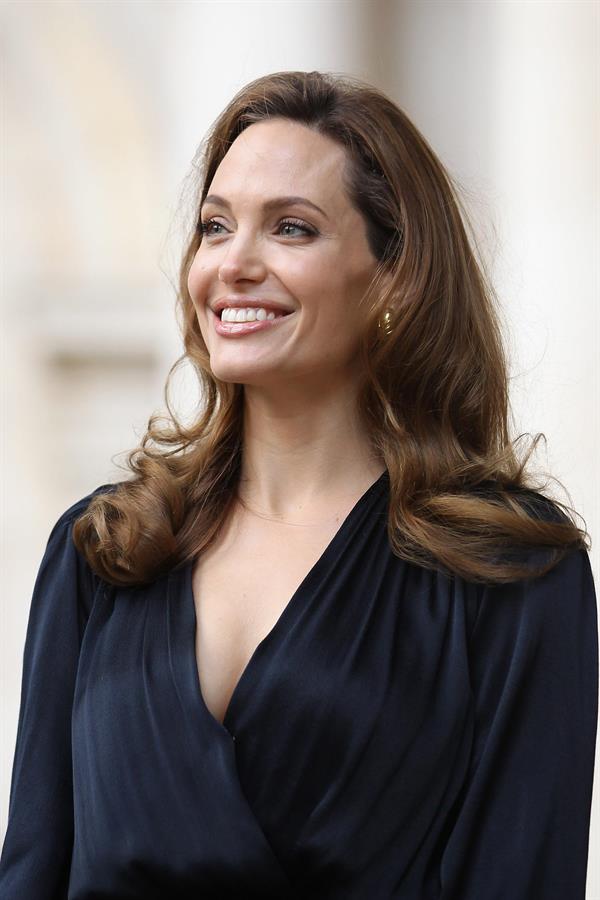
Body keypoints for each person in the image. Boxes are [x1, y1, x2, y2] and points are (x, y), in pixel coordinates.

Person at [0, 70, 597, 899]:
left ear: (394, 276)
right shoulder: (104, 551)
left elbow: (523, 875)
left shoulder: (511, 569)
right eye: (214, 227)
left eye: (290, 228)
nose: (234, 264)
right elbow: (30, 868)